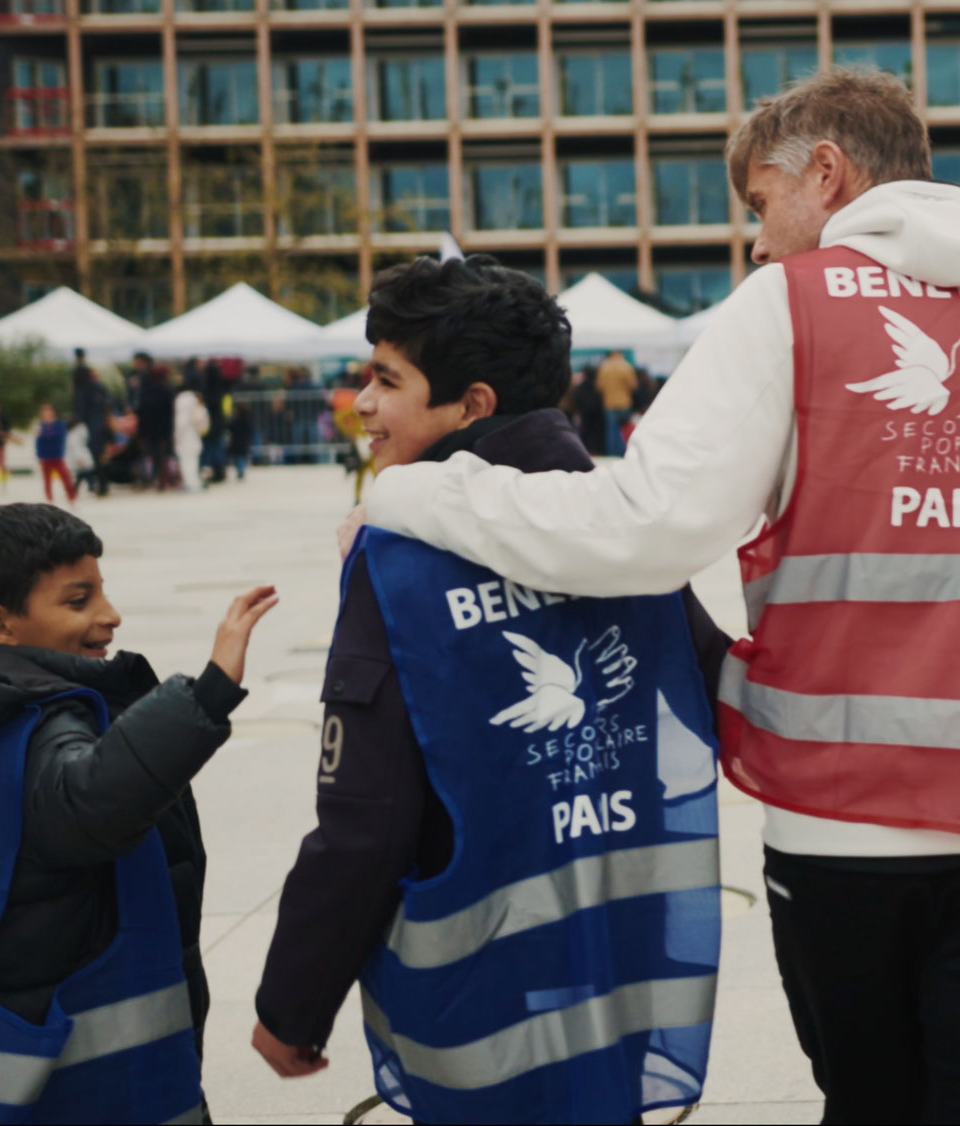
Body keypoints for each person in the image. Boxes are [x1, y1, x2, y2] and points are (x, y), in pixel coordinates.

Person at [350, 67, 960, 1123]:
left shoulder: (788, 308)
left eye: (761, 206)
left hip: (839, 834)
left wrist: (419, 493)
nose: (760, 244)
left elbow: (641, 531)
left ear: (827, 171)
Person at [254, 255, 728, 1123]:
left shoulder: (399, 561)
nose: (361, 403)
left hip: (479, 1003)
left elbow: (366, 819)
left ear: (472, 405)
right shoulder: (621, 530)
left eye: (386, 380)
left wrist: (293, 1000)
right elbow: (721, 688)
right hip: (615, 971)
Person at [0, 504, 276, 1121]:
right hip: (76, 1076)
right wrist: (209, 693)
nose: (110, 615)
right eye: (79, 600)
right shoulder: (42, 723)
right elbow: (92, 803)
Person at [135, 354, 177, 491]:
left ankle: (150, 478)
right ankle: (162, 479)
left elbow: (141, 408)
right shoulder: (167, 389)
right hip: (163, 427)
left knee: (149, 453)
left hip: (148, 427)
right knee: (162, 454)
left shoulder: (145, 388)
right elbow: (171, 410)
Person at [72, 358, 113, 497]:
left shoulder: (81, 390)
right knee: (101, 457)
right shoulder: (99, 387)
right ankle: (103, 484)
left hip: (89, 427)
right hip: (102, 425)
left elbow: (80, 411)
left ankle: (89, 485)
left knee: (89, 457)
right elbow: (107, 405)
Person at [173, 369, 211, 494]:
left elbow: (181, 421)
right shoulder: (195, 397)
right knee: (193, 460)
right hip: (195, 434)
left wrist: (177, 435)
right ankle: (195, 482)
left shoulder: (182, 398)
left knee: (186, 461)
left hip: (186, 435)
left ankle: (191, 483)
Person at [33, 401, 78, 506]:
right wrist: (38, 455)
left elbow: (60, 436)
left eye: (49, 410)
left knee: (65, 476)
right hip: (45, 456)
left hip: (57, 455)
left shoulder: (59, 424)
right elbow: (38, 442)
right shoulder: (40, 425)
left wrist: (44, 433)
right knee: (47, 480)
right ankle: (50, 499)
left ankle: (71, 498)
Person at [595, 349, 638, 456]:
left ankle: (612, 453)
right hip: (624, 402)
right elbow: (633, 385)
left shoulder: (604, 367)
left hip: (609, 403)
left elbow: (599, 386)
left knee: (611, 430)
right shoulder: (626, 366)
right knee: (624, 428)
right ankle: (624, 451)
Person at [570, 362, 607, 456]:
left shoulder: (581, 387)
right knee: (598, 433)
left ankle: (588, 451)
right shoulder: (598, 386)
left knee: (587, 433)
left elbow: (577, 398)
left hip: (585, 414)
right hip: (598, 414)